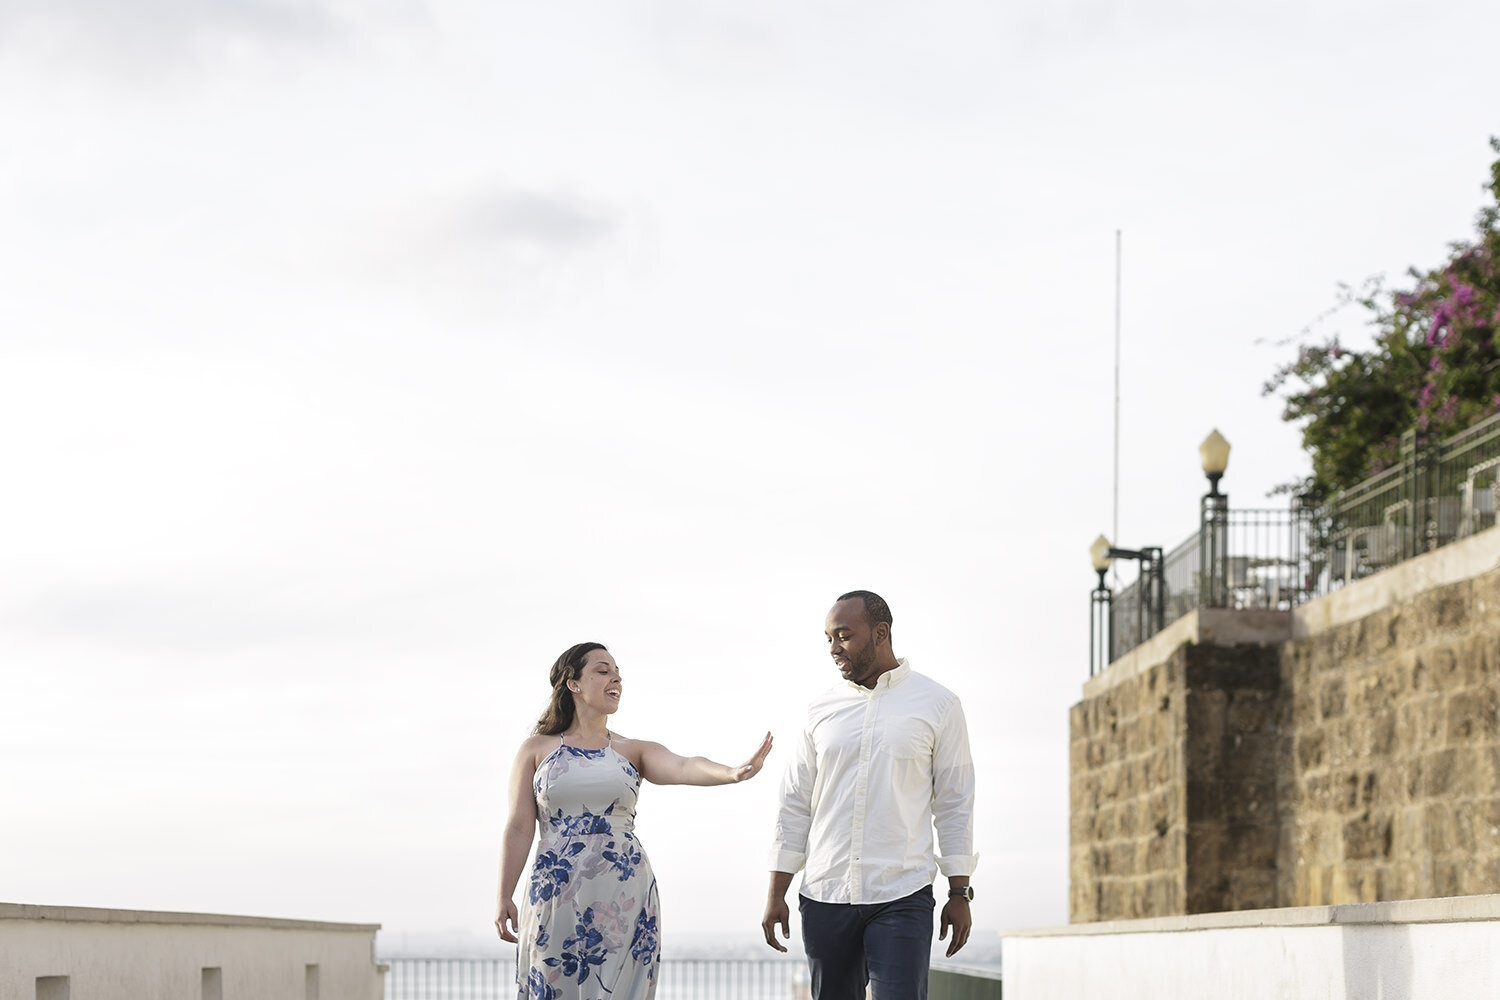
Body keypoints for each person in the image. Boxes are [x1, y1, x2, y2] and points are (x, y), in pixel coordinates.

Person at [497, 641, 773, 1000]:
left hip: (622, 893)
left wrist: (733, 772)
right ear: (573, 683)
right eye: (602, 670)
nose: (616, 678)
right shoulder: (536, 749)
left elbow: (685, 765)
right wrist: (504, 894)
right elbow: (519, 826)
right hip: (556, 892)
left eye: (618, 673)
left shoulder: (632, 750)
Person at [760, 591, 976, 1000]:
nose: (833, 649)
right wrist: (776, 893)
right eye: (828, 638)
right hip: (825, 894)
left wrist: (959, 891)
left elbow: (955, 804)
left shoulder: (939, 705)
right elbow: (793, 804)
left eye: (843, 636)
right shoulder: (818, 710)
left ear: (881, 633)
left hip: (902, 893)